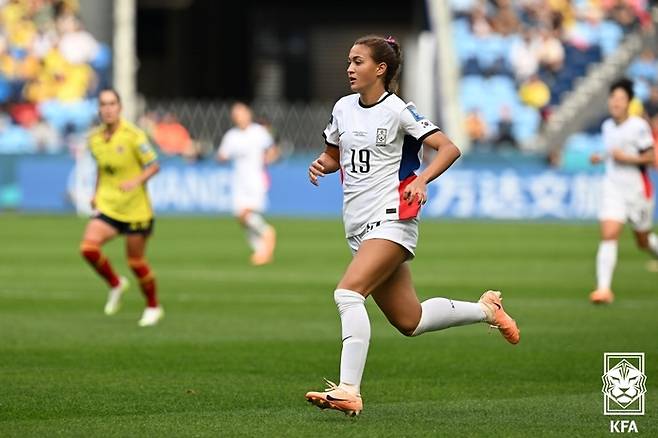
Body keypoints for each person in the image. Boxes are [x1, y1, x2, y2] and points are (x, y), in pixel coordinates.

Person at [304, 35, 520, 417]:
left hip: (392, 219)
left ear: (380, 69)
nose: (349, 68)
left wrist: (422, 180)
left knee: (347, 294)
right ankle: (487, 310)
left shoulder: (400, 110)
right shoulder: (342, 108)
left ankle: (348, 390)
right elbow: (335, 154)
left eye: (357, 61)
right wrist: (323, 164)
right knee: (410, 320)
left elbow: (449, 147)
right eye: (349, 61)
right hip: (357, 225)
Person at [79, 88, 164, 326]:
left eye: (112, 104)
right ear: (99, 109)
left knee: (136, 262)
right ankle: (115, 283)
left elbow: (154, 165)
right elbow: (102, 168)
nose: (108, 109)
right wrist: (95, 194)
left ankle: (153, 306)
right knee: (88, 248)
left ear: (120, 107)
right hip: (109, 206)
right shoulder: (94, 138)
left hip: (135, 209)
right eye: (103, 104)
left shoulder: (134, 135)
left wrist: (136, 181)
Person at [589, 78, 658, 303]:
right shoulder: (607, 126)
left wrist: (625, 158)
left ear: (629, 102)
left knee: (643, 241)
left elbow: (650, 157)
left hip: (637, 190)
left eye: (621, 99)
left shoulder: (638, 126)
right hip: (613, 188)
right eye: (613, 98)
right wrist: (602, 156)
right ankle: (603, 289)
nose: (615, 103)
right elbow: (613, 151)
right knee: (609, 234)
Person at [216, 102, 279, 265]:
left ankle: (266, 233)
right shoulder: (231, 136)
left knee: (246, 213)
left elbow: (272, 150)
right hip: (239, 182)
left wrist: (268, 160)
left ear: (248, 114)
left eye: (241, 114)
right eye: (236, 115)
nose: (239, 118)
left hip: (255, 180)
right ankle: (262, 250)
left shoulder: (258, 132)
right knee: (240, 216)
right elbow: (222, 155)